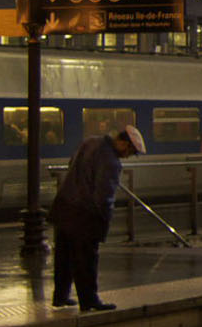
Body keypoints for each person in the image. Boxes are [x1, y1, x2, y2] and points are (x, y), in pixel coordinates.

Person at [48, 123, 145, 311]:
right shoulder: (111, 162)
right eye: (130, 152)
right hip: (84, 214)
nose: (128, 156)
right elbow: (104, 197)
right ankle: (89, 300)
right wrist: (103, 224)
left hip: (64, 205)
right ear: (124, 144)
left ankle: (60, 296)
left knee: (64, 256)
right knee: (86, 260)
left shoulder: (90, 142)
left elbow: (71, 164)